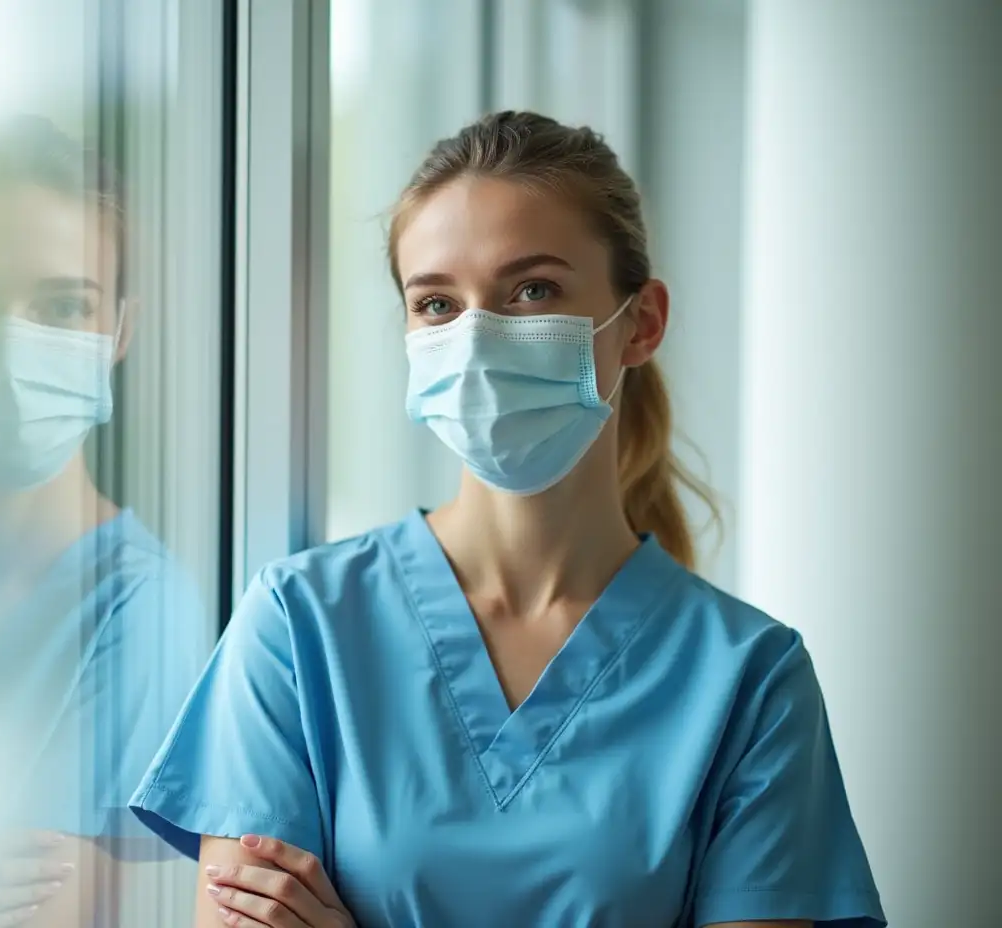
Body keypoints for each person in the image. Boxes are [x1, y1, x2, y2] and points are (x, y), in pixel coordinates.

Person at [128, 111, 887, 927]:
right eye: (437, 303)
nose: (478, 335)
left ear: (642, 322)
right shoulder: (298, 625)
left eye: (533, 290)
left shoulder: (750, 679)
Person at [0, 115, 203, 928]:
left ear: (121, 331)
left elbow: (44, 912)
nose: (11, 343)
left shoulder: (138, 604)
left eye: (63, 304)